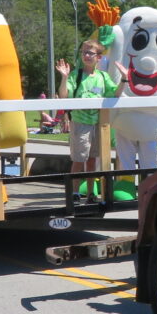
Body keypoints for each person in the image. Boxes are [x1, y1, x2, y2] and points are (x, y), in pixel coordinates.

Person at [56, 39, 119, 201]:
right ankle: (75, 193)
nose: (86, 55)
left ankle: (91, 193)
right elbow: (63, 95)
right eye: (83, 52)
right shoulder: (75, 75)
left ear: (99, 57)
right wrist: (64, 77)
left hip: (98, 124)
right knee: (78, 160)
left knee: (92, 161)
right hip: (80, 123)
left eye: (90, 53)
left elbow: (115, 94)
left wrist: (125, 80)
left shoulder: (103, 76)